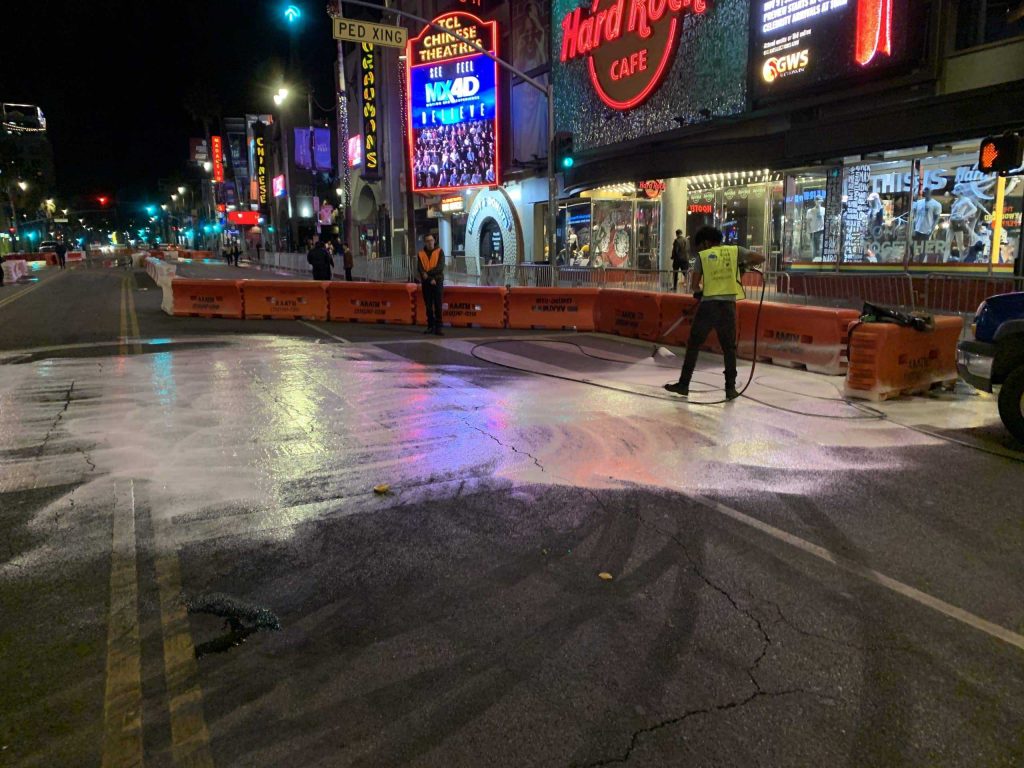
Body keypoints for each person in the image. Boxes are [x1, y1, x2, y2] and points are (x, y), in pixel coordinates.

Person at [664, 226, 765, 401]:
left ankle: (684, 384)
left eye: (700, 245)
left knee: (694, 344)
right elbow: (760, 258)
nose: (700, 249)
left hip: (708, 306)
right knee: (729, 349)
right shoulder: (735, 252)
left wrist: (700, 290)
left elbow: (695, 286)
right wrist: (744, 265)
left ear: (706, 242)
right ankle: (730, 389)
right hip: (728, 307)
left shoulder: (702, 257)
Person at [418, 233, 445, 336]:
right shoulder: (420, 254)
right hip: (427, 283)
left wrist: (428, 275)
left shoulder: (440, 252)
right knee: (428, 306)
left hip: (437, 281)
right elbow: (420, 269)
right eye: (428, 240)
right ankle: (430, 326)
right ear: (425, 242)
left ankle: (439, 327)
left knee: (438, 305)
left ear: (434, 240)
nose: (430, 242)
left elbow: (440, 268)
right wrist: (429, 279)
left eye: (431, 240)